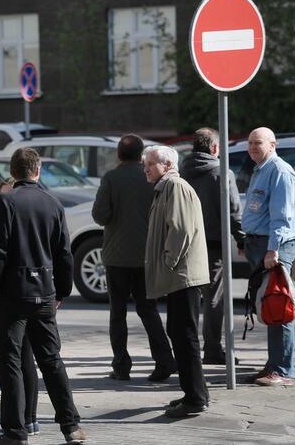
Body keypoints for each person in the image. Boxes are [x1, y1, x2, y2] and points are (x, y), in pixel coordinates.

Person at [0, 148, 86, 445]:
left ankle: (15, 432)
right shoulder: (53, 204)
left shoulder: (6, 201)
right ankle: (71, 426)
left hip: (11, 294)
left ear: (13, 173)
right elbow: (64, 253)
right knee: (51, 360)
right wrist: (63, 290)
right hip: (44, 291)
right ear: (37, 171)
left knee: (10, 363)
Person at [91, 134, 176, 382]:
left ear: (118, 154)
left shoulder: (111, 178)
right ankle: (164, 360)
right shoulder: (151, 177)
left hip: (117, 257)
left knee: (117, 313)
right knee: (148, 310)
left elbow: (100, 215)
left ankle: (121, 366)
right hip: (147, 255)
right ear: (141, 156)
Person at [143, 145, 210, 418]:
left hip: (182, 275)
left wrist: (168, 262)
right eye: (145, 164)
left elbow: (180, 229)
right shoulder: (165, 187)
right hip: (178, 275)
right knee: (180, 334)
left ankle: (195, 398)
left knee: (185, 336)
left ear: (168, 164)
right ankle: (194, 393)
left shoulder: (175, 187)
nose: (145, 168)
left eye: (150, 164)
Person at [180, 127, 245, 365]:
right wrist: (241, 238)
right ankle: (213, 349)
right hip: (213, 245)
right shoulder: (221, 173)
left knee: (187, 300)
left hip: (185, 245)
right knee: (214, 300)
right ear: (215, 148)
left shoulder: (181, 172)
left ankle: (188, 350)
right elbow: (233, 211)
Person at [241, 127, 295, 386]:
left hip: (273, 247)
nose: (252, 147)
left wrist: (273, 250)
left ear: (272, 145)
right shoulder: (260, 169)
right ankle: (274, 363)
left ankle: (284, 370)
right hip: (258, 245)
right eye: (250, 142)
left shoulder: (279, 171)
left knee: (279, 305)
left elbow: (281, 217)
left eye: (258, 143)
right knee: (267, 305)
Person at [0, 177, 40, 438]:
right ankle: (26, 419)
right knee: (23, 359)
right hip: (36, 291)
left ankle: (22, 420)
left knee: (18, 359)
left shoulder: (15, 210)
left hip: (16, 294)